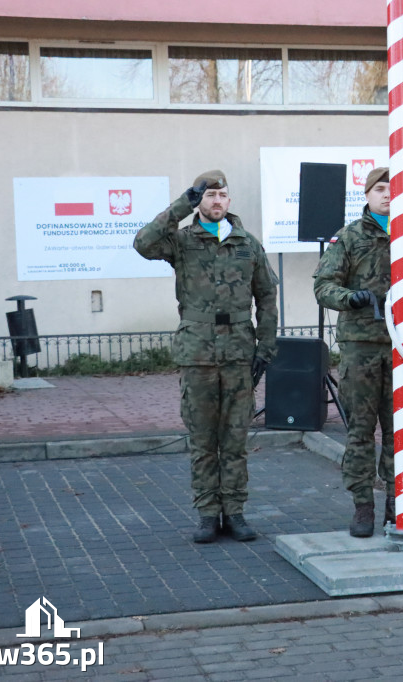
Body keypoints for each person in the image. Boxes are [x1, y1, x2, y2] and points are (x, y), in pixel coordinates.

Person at [134, 170, 278, 544]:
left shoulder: (248, 244)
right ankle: (207, 514)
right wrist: (184, 202)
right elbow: (143, 244)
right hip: (197, 351)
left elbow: (266, 297)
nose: (216, 201)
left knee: (235, 438)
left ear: (230, 201)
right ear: (201, 200)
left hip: (239, 353)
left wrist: (266, 347)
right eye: (209, 195)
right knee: (202, 438)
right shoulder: (182, 241)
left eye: (221, 195)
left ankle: (235, 511)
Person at [313, 167, 403, 537]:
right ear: (367, 195)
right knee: (360, 431)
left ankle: (396, 504)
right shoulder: (350, 237)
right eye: (380, 189)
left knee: (399, 432)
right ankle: (362, 506)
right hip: (361, 349)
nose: (388, 195)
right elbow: (323, 285)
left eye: (394, 189)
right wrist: (350, 298)